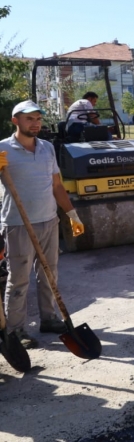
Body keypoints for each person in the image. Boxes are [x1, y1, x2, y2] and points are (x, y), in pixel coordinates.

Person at [0, 100, 85, 349]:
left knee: (49, 274)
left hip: (49, 220)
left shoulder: (47, 148)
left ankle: (49, 319)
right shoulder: (3, 149)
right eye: (30, 119)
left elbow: (57, 186)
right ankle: (15, 331)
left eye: (38, 119)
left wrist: (72, 215)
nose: (35, 123)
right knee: (19, 279)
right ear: (16, 120)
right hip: (18, 224)